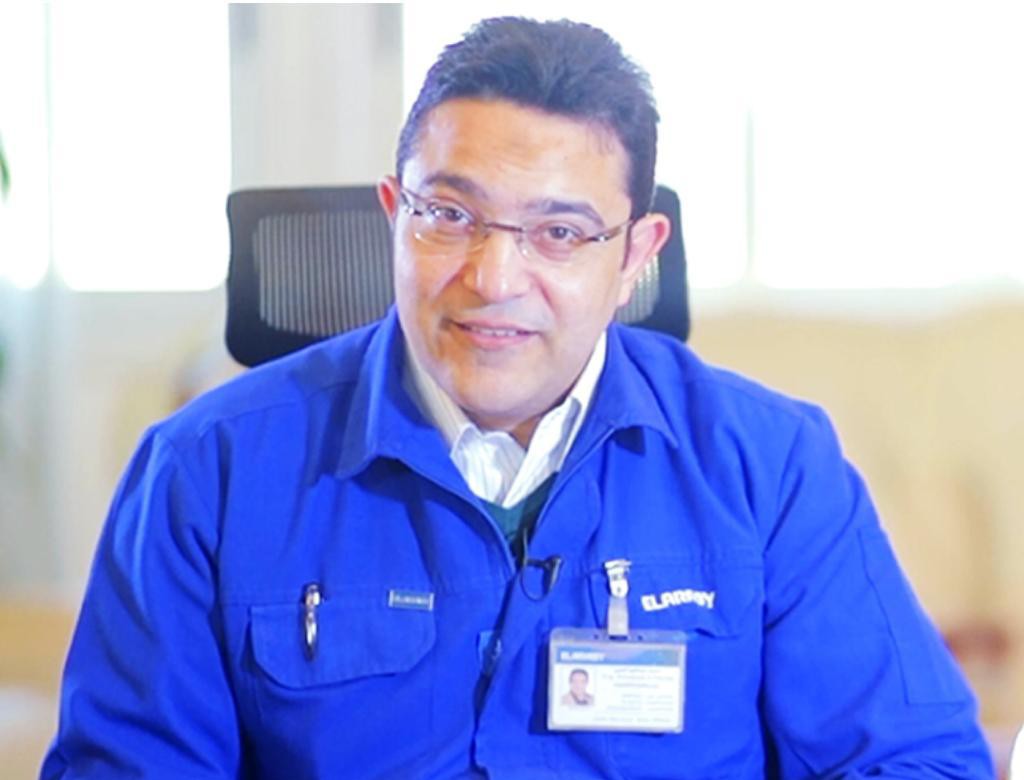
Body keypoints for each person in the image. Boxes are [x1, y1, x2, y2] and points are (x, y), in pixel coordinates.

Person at [43, 16, 994, 779]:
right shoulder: (204, 472)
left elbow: (917, 760)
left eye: (560, 233)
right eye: (450, 215)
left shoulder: (771, 466)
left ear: (636, 256)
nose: (494, 279)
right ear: (394, 214)